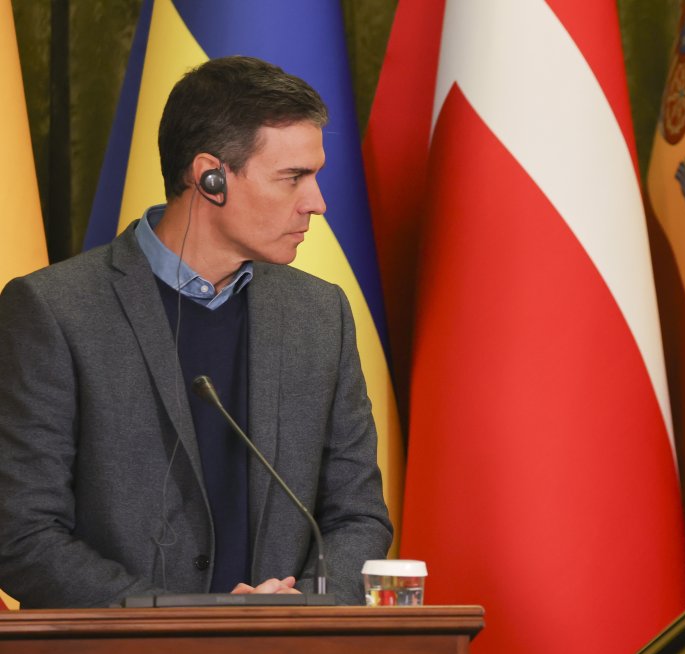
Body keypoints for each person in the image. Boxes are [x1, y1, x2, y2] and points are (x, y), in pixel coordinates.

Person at [0, 56, 392, 608]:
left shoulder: (320, 315)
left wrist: (298, 608)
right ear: (210, 177)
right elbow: (22, 534)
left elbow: (358, 516)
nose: (317, 203)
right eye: (294, 178)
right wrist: (179, 623)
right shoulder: (53, 311)